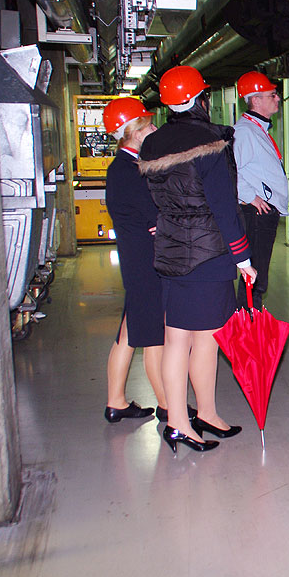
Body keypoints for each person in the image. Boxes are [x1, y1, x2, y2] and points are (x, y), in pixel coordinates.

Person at [139, 65, 256, 453]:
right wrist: (243, 258)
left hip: (171, 252)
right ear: (198, 99)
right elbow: (223, 206)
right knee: (202, 340)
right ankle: (179, 423)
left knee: (183, 339)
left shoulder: (153, 143)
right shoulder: (210, 142)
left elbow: (156, 201)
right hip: (208, 255)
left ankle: (203, 414)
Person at [102, 97, 168, 423]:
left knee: (128, 334)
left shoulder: (123, 167)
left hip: (136, 263)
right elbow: (156, 214)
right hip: (146, 265)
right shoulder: (129, 171)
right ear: (135, 131)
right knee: (156, 339)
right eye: (149, 124)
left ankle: (116, 401)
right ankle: (169, 408)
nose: (154, 129)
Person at [233, 71, 288, 310]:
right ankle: (247, 326)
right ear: (255, 100)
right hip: (256, 214)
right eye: (272, 95)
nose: (277, 99)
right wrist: (250, 196)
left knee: (257, 277)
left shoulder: (257, 129)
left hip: (263, 213)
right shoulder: (245, 132)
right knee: (254, 278)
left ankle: (249, 322)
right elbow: (230, 169)